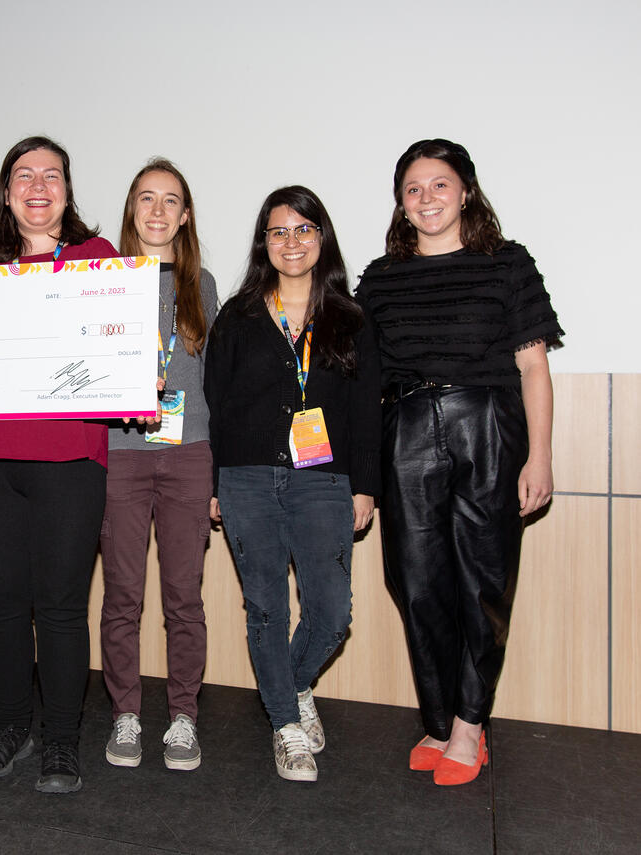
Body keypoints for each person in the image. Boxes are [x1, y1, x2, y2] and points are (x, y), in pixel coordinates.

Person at [356, 139, 562, 786]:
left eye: (439, 185)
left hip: (489, 428)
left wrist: (541, 455)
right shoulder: (380, 279)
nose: (426, 199)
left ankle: (471, 725)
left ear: (465, 190)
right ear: (400, 201)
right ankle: (440, 718)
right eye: (413, 188)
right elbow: (364, 381)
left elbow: (533, 366)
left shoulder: (507, 264)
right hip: (406, 428)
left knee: (483, 581)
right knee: (414, 582)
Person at [0, 136, 118, 794]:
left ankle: (62, 740)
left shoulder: (99, 261)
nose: (38, 184)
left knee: (61, 607)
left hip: (68, 458)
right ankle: (11, 725)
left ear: (68, 192)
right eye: (24, 174)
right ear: (7, 192)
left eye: (52, 174)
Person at [205, 186, 380, 783]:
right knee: (266, 608)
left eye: (303, 229)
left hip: (323, 480)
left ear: (322, 239)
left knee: (332, 613)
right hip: (247, 478)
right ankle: (285, 724)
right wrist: (213, 482)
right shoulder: (240, 314)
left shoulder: (351, 319)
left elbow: (365, 412)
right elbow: (216, 405)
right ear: (264, 243)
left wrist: (366, 487)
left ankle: (292, 686)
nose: (291, 242)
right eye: (278, 231)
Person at [100, 159, 217, 771]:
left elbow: (217, 386)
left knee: (183, 597)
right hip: (119, 454)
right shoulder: (103, 278)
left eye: (171, 200)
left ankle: (182, 718)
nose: (157, 211)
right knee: (122, 594)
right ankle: (125, 714)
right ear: (131, 210)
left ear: (185, 214)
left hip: (190, 455)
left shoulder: (206, 286)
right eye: (146, 198)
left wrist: (219, 473)